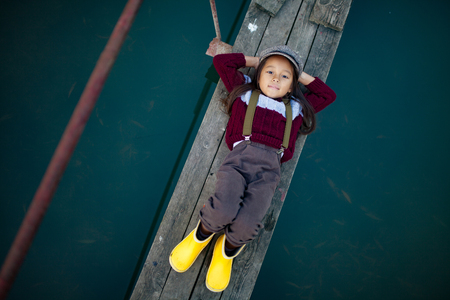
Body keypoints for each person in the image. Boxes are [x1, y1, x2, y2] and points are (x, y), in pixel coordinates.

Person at [169, 45, 336, 292]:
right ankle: (200, 236)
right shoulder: (244, 92)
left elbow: (326, 95)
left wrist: (297, 72)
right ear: (258, 74)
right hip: (239, 161)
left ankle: (226, 250)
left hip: (269, 172)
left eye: (285, 75)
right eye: (269, 71)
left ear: (292, 86)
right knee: (224, 207)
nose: (276, 78)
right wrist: (258, 61)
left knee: (249, 222)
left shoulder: (296, 107)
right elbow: (222, 63)